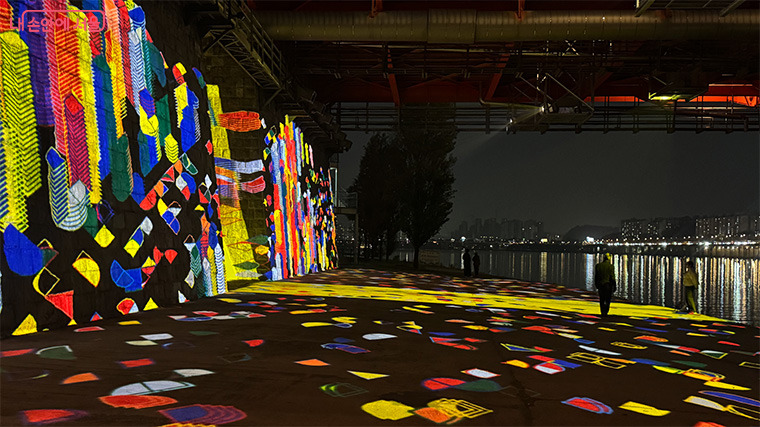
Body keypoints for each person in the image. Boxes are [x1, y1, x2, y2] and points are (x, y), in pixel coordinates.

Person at [594, 253, 616, 317]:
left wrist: (596, 284)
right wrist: (614, 286)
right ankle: (606, 312)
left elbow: (596, 276)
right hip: (608, 285)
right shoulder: (611, 266)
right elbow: (612, 277)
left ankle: (602, 312)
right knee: (608, 299)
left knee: (602, 299)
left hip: (601, 285)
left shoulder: (598, 266)